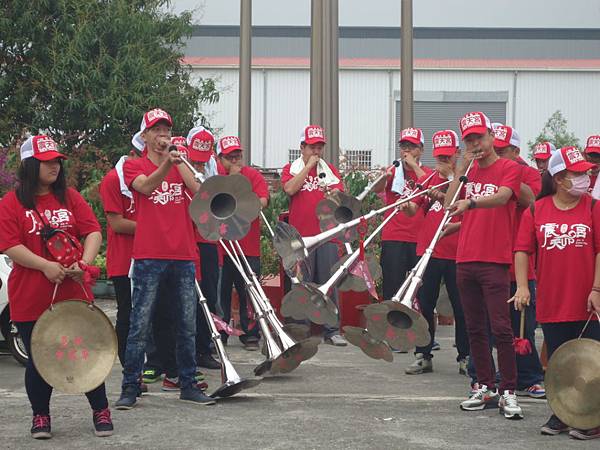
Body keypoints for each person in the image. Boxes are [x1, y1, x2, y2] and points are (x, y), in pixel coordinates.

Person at [0, 135, 112, 438]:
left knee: (87, 351)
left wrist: (84, 263)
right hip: (30, 296)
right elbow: (10, 245)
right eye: (47, 161)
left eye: (57, 161)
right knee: (40, 359)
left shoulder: (70, 197)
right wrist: (45, 266)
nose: (55, 166)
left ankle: (101, 410)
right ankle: (40, 416)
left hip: (73, 294)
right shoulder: (11, 204)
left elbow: (93, 231)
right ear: (29, 165)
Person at [115, 108, 215, 408]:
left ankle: (187, 383)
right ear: (144, 136)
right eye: (156, 131)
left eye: (166, 130)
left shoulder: (179, 163)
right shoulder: (134, 166)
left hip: (183, 254)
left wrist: (179, 160)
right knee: (140, 324)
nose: (162, 136)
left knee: (186, 323)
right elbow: (145, 187)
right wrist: (164, 166)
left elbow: (200, 192)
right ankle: (130, 386)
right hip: (148, 255)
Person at [512, 146, 600, 440]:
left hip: (588, 300)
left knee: (592, 363)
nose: (585, 177)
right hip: (552, 300)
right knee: (560, 363)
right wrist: (523, 286)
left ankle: (592, 416)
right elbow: (522, 250)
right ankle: (563, 412)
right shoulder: (537, 209)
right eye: (577, 173)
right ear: (559, 178)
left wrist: (597, 288)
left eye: (586, 172)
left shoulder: (593, 207)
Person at [445, 111, 528, 420]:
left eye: (479, 137)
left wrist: (473, 203)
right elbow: (447, 206)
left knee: (501, 328)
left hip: (495, 259)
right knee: (474, 328)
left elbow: (505, 196)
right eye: (469, 139)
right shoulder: (469, 172)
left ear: (492, 137)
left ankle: (508, 390)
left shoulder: (509, 167)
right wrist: (460, 172)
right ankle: (484, 384)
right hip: (465, 259)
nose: (476, 143)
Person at [399, 130, 469, 376]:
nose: (443, 162)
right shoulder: (428, 179)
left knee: (461, 307)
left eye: (448, 157)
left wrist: (448, 181)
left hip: (458, 251)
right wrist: (406, 202)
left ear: (457, 154)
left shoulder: (465, 180)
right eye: (439, 157)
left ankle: (465, 356)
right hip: (428, 250)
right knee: (424, 305)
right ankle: (423, 354)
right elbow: (411, 211)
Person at [491, 125, 545, 398]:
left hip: (521, 264)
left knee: (523, 322)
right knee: (500, 326)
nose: (497, 155)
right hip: (494, 260)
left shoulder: (529, 173)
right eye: (495, 150)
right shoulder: (487, 171)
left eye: (502, 151)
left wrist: (508, 173)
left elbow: (531, 200)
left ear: (516, 151)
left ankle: (531, 376)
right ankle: (507, 373)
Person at [280, 125, 347, 346]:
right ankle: (301, 330)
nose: (316, 151)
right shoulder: (291, 168)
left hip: (327, 235)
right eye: (312, 146)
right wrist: (308, 167)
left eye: (320, 146)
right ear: (302, 147)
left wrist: (335, 195)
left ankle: (332, 329)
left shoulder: (330, 171)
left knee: (328, 282)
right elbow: (289, 190)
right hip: (299, 237)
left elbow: (341, 199)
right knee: (301, 283)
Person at [217, 135, 269, 350]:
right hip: (221, 246)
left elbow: (261, 203)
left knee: (248, 292)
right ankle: (221, 332)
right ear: (220, 158)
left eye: (238, 154)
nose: (236, 159)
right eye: (231, 156)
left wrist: (238, 184)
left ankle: (251, 334)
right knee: (221, 294)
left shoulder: (253, 175)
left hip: (247, 246)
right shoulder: (215, 176)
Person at [374, 128, 433, 300]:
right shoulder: (394, 170)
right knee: (392, 286)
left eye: (412, 147)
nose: (406, 151)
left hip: (419, 238)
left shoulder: (428, 173)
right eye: (403, 146)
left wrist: (414, 165)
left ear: (421, 150)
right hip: (394, 236)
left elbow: (430, 186)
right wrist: (384, 177)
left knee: (419, 289)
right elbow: (376, 189)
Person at [184, 126, 220, 369]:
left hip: (208, 241)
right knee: (185, 299)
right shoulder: (179, 167)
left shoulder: (213, 170)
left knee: (208, 295)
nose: (198, 165)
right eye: (195, 160)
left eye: (202, 161)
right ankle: (183, 352)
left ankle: (205, 349)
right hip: (186, 240)